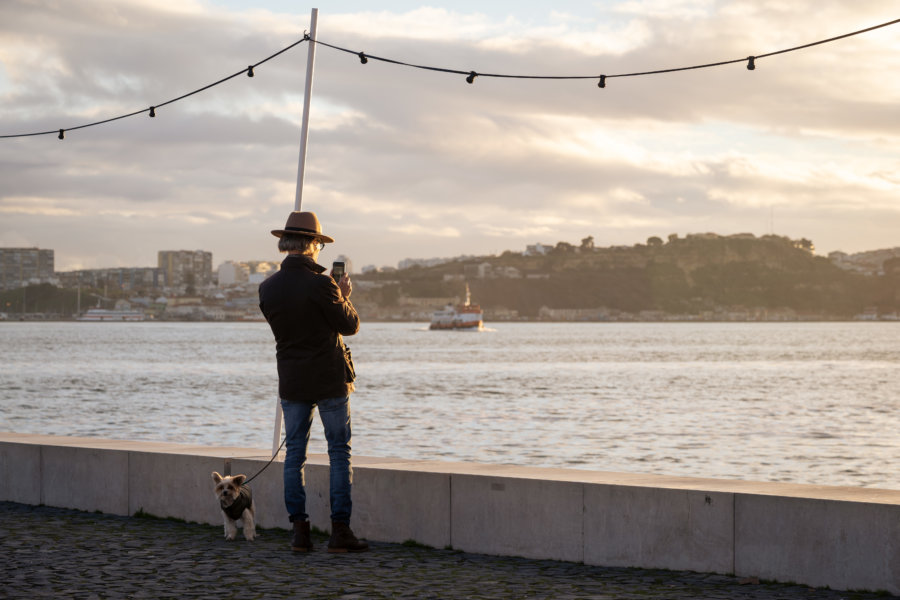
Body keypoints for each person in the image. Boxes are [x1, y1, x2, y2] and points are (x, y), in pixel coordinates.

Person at [258, 211, 368, 553]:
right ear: (313, 245)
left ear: (286, 244)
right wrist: (343, 294)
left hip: (292, 381)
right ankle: (339, 532)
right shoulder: (323, 284)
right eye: (319, 243)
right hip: (329, 380)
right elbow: (350, 326)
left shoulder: (267, 288)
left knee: (294, 456)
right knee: (339, 452)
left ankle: (300, 533)